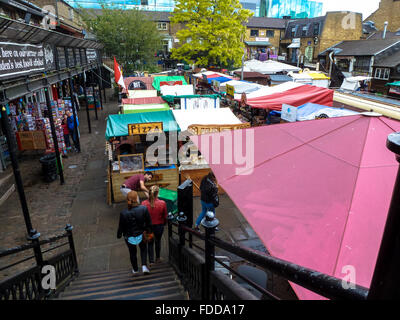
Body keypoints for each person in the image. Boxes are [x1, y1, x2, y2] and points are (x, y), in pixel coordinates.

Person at [117, 191, 153, 275]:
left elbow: (121, 227)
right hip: (141, 234)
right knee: (143, 249)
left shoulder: (123, 213)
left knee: (132, 253)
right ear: (136, 198)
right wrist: (149, 232)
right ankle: (144, 266)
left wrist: (119, 235)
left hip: (129, 237)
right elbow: (149, 223)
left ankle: (135, 269)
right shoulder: (143, 209)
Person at [142, 186, 167, 264]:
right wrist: (164, 223)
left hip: (148, 228)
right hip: (159, 226)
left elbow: (143, 217)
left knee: (150, 243)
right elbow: (165, 216)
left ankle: (151, 261)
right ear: (157, 193)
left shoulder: (143, 203)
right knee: (158, 241)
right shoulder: (162, 203)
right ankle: (158, 258)